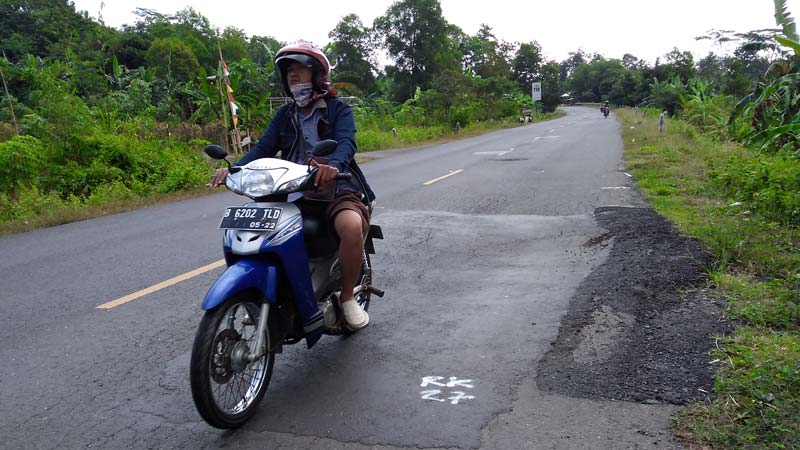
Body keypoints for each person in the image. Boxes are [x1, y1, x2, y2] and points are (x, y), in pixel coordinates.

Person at [210, 43, 375, 331]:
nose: (293, 76)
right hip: (293, 190)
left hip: (336, 187)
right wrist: (234, 168)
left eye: (299, 69)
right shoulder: (285, 115)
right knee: (260, 232)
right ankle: (271, 293)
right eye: (289, 72)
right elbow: (263, 148)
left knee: (350, 225)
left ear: (316, 75)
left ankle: (347, 298)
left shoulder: (339, 110)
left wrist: (333, 164)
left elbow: (347, 142)